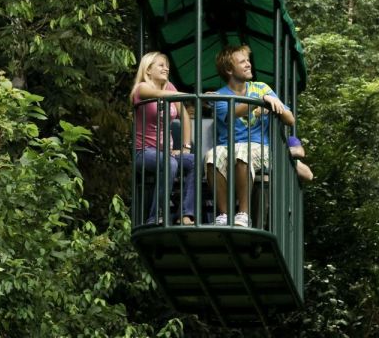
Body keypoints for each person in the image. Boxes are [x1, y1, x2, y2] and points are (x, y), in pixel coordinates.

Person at [205, 44, 311, 228]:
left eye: (248, 60)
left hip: (259, 148)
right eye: (242, 62)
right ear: (229, 69)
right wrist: (259, 102)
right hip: (229, 146)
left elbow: (290, 119)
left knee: (243, 152)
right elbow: (232, 115)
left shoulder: (262, 87)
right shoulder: (220, 95)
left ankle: (243, 214)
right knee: (212, 156)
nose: (248, 65)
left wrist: (273, 102)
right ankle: (223, 214)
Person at [131, 51, 196, 226]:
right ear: (148, 69)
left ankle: (185, 213)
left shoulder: (170, 88)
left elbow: (184, 116)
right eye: (161, 65)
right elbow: (156, 94)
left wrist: (186, 146)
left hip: (165, 153)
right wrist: (187, 95)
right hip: (143, 152)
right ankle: (156, 215)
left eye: (167, 65)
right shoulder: (141, 88)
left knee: (194, 161)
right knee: (170, 163)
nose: (166, 68)